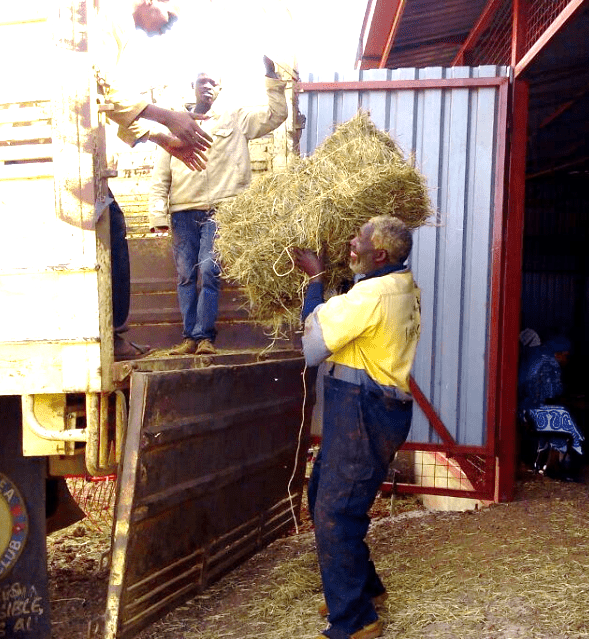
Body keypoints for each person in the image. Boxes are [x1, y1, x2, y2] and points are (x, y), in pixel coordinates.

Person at [290, 216, 421, 639]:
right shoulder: (400, 283)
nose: (352, 242)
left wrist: (315, 281)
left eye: (359, 239)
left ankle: (356, 622)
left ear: (379, 254)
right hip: (369, 411)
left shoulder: (372, 295)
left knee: (335, 513)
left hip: (363, 412)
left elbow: (311, 347)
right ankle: (362, 590)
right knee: (322, 494)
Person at [97, 0, 215, 358]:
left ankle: (115, 335)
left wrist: (163, 137)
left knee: (115, 231)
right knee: (114, 231)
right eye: (170, 16)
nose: (166, 27)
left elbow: (113, 102)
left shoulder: (121, 30)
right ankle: (113, 337)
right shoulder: (109, 20)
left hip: (97, 166)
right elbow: (102, 89)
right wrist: (166, 118)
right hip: (89, 162)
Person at [150, 60, 288, 355]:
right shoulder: (176, 123)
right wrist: (157, 214)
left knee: (210, 270)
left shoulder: (235, 117)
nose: (208, 87)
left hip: (222, 210)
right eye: (202, 82)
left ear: (221, 88)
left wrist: (272, 78)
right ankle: (189, 337)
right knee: (186, 274)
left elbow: (277, 114)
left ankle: (204, 338)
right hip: (183, 211)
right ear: (193, 87)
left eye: (213, 82)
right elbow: (161, 173)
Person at [517, 332, 583, 477]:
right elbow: (551, 394)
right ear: (558, 353)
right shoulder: (550, 364)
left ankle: (542, 465)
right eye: (566, 356)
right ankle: (556, 467)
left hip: (521, 409)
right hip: (530, 411)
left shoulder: (534, 357)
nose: (566, 360)